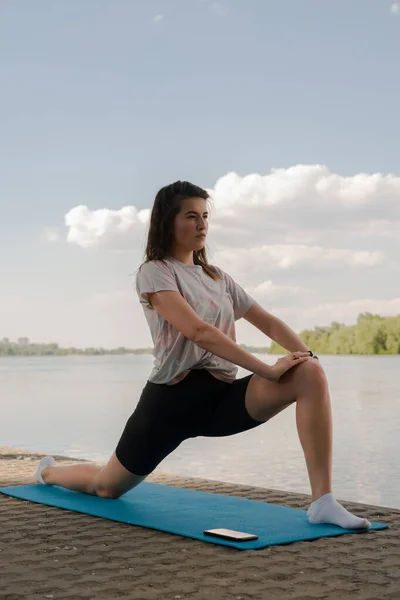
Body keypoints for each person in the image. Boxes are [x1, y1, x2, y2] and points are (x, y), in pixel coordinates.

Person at [36, 180, 370, 530]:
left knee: (309, 374)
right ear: (168, 222)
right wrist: (268, 370)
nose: (202, 225)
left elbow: (268, 322)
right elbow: (198, 332)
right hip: (169, 403)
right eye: (191, 216)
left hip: (221, 400)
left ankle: (323, 501)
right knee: (106, 487)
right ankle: (49, 472)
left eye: (205, 216)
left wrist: (307, 356)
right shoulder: (155, 272)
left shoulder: (218, 278)